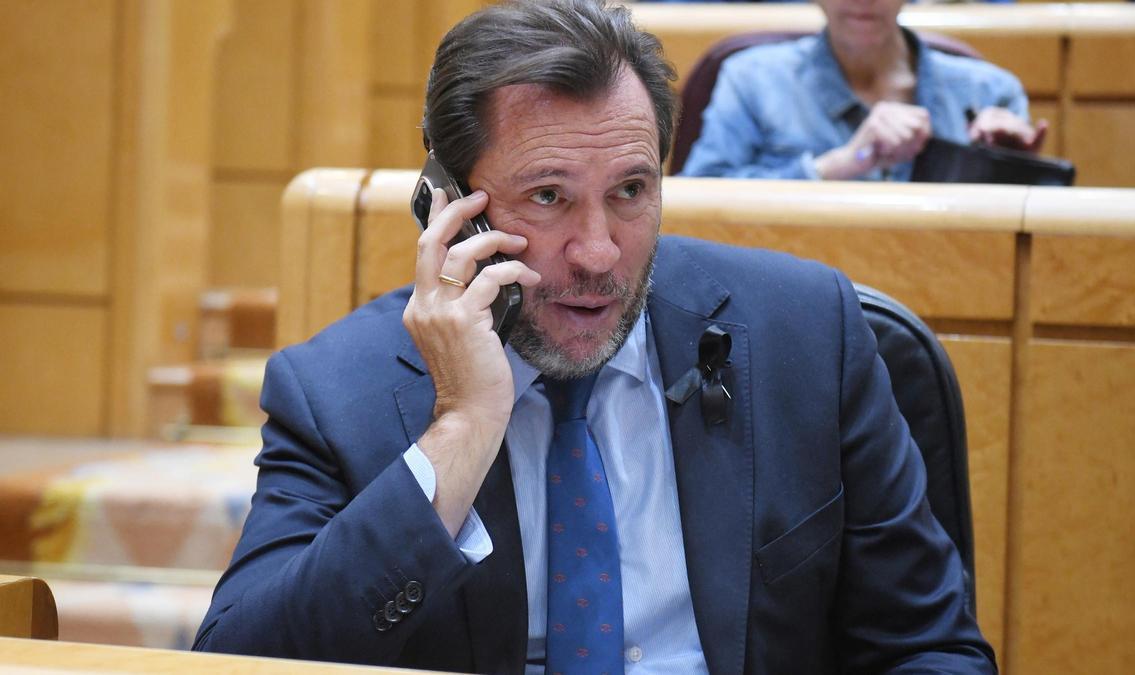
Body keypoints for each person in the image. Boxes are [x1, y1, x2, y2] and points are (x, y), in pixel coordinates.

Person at [193, 1, 995, 672]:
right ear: (446, 203)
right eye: (547, 196)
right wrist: (462, 428)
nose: (599, 252)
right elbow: (241, 657)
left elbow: (930, 648)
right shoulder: (337, 390)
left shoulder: (807, 335)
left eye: (630, 191)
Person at [681, 0, 1047, 181]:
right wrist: (843, 163)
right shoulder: (750, 78)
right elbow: (701, 202)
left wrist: (1014, 171)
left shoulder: (991, 91)